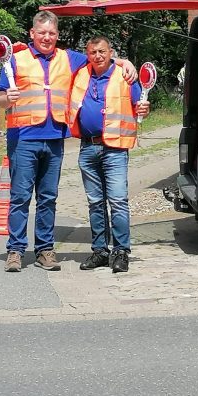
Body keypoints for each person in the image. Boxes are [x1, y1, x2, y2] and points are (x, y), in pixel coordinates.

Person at [0, 11, 136, 273]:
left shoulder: (68, 58)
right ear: (32, 33)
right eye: (42, 33)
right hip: (23, 139)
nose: (46, 37)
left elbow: (100, 58)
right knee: (20, 197)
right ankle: (15, 250)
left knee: (48, 198)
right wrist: (7, 98)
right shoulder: (16, 60)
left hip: (55, 139)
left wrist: (125, 62)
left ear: (57, 35)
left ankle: (45, 250)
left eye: (51, 33)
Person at [67, 35, 149, 274]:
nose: (98, 56)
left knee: (118, 202)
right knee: (95, 203)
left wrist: (144, 108)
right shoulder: (80, 74)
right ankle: (100, 251)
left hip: (114, 148)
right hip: (87, 148)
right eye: (93, 53)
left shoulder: (124, 75)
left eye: (102, 51)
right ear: (87, 54)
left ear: (110, 52)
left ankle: (121, 251)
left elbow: (139, 105)